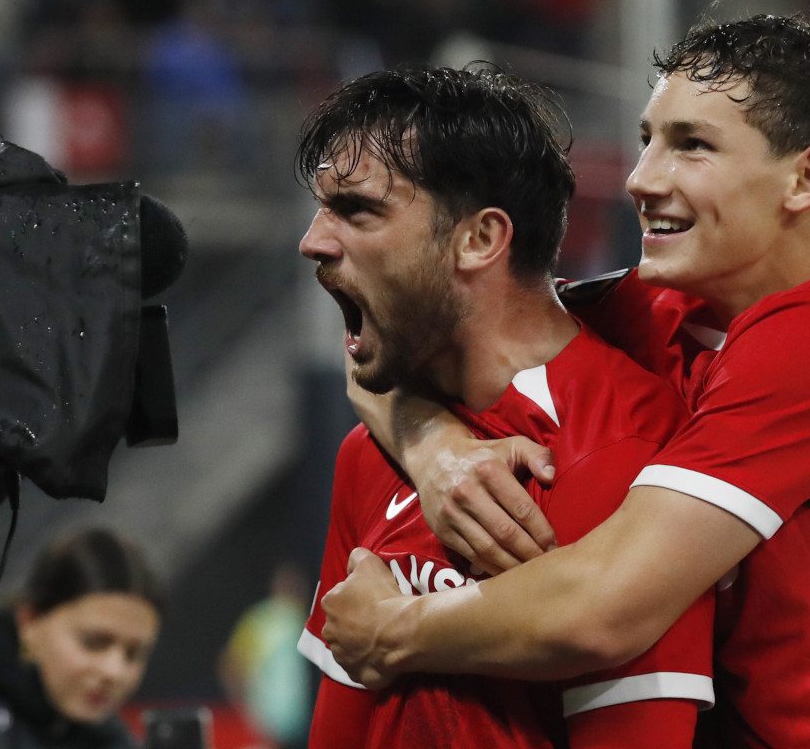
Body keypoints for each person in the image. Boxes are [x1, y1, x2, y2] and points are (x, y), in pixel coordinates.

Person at [321, 12, 810, 748]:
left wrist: (393, 629)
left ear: (805, 179)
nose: (641, 178)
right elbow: (419, 329)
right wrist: (435, 449)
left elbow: (605, 607)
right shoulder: (660, 311)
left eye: (692, 146)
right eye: (649, 139)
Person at [295, 65, 714, 748]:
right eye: (322, 209)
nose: (313, 241)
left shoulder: (627, 458)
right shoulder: (373, 448)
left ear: (480, 239)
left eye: (358, 210)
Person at [0, 527, 162, 749]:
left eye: (134, 654)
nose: (113, 671)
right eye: (93, 643)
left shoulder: (110, 739)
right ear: (29, 621)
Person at [219, 562, 313, 749]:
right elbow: (232, 667)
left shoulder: (302, 619)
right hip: (265, 723)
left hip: (298, 723)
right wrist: (246, 711)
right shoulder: (261, 619)